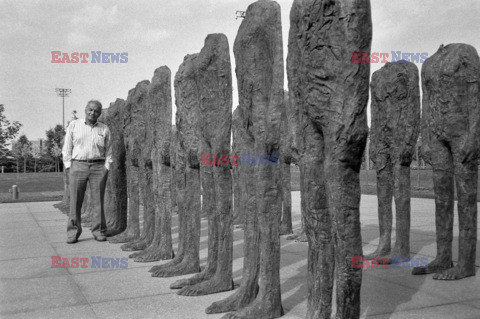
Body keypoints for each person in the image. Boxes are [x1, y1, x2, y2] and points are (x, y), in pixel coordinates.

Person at [62, 100, 112, 244]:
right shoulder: (74, 125)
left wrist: (106, 167)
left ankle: (99, 231)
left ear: (100, 113)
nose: (93, 113)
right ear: (85, 110)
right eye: (90, 110)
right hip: (78, 166)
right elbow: (67, 147)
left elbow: (109, 150)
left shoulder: (104, 129)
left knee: (98, 201)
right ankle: (73, 233)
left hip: (98, 167)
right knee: (75, 201)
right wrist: (68, 166)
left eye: (96, 111)